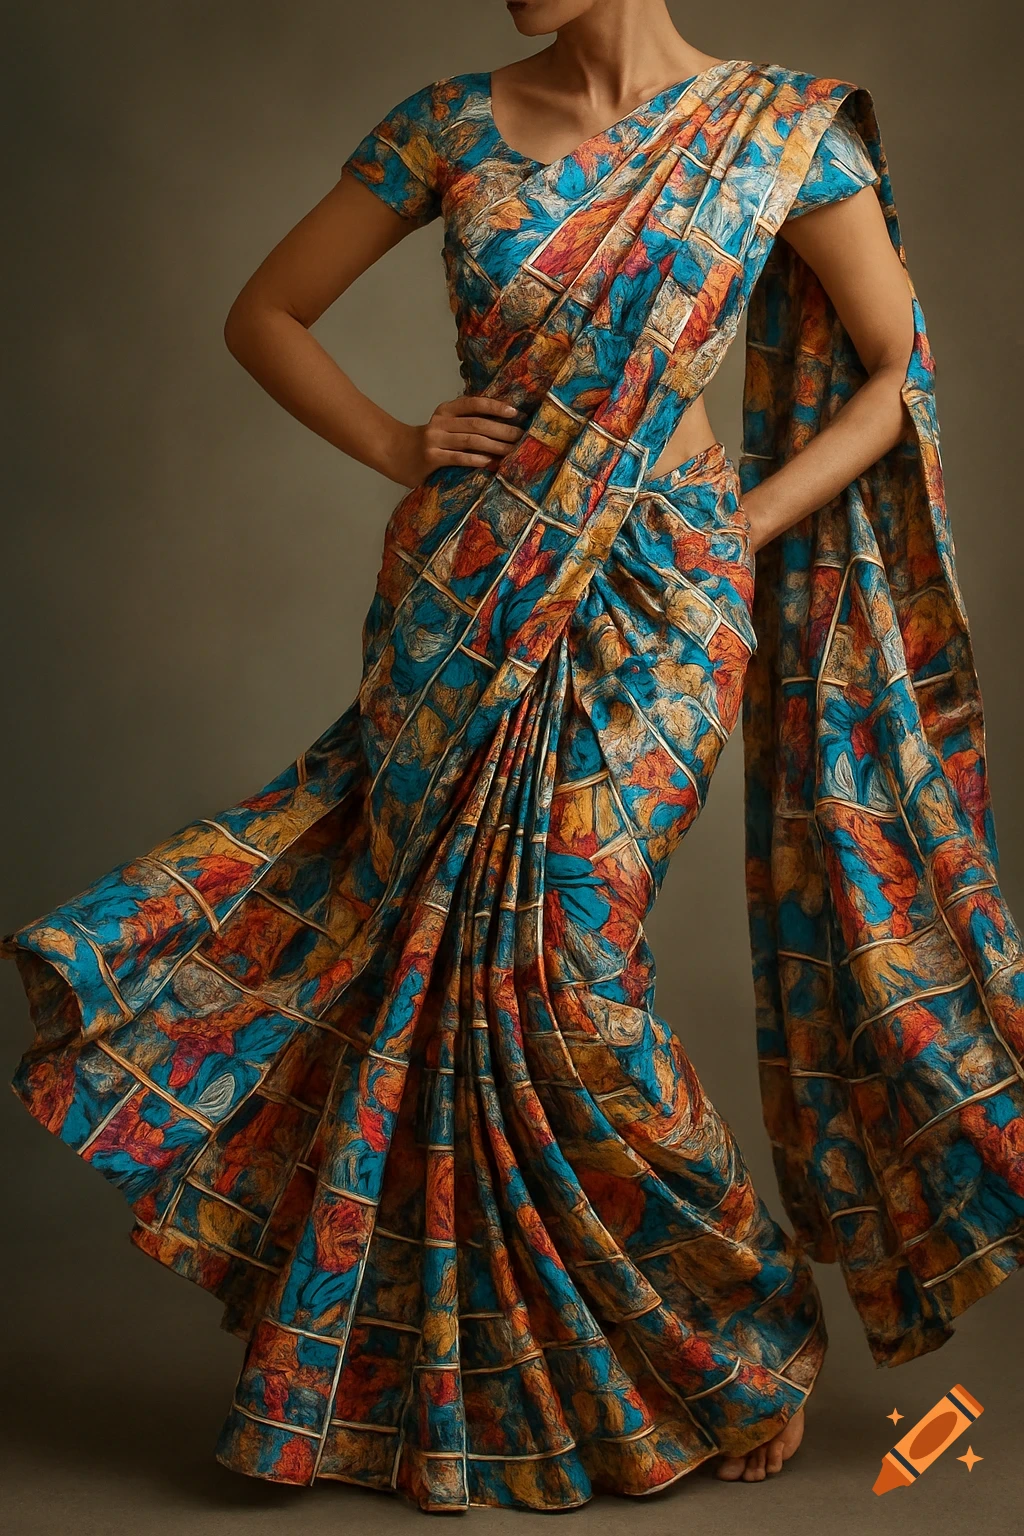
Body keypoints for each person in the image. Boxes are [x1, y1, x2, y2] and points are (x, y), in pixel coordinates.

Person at [6, 0, 1023, 1513]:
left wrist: (735, 528)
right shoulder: (448, 126)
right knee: (439, 970)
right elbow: (263, 314)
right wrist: (398, 444)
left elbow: (894, 372)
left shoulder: (776, 134)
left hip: (661, 607)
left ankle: (736, 1327)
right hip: (465, 598)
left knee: (566, 955)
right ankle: (464, 1377)